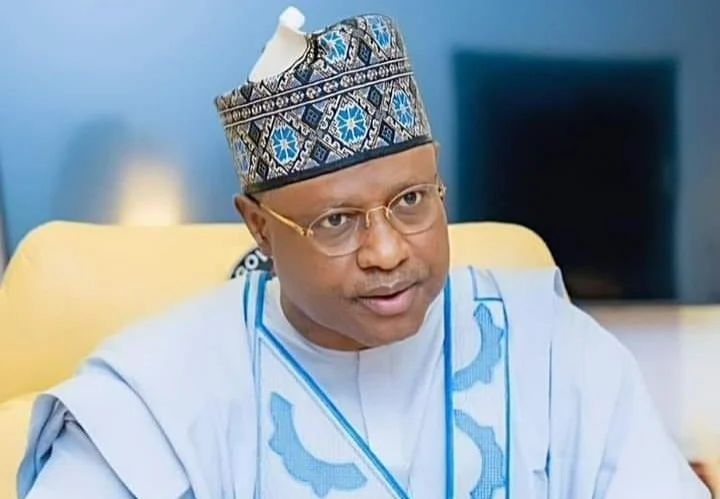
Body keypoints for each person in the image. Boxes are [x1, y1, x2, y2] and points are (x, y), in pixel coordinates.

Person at [16, 7, 709, 499]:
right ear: (259, 228)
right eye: (337, 221)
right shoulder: (153, 397)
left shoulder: (553, 350)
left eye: (411, 200)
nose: (386, 251)